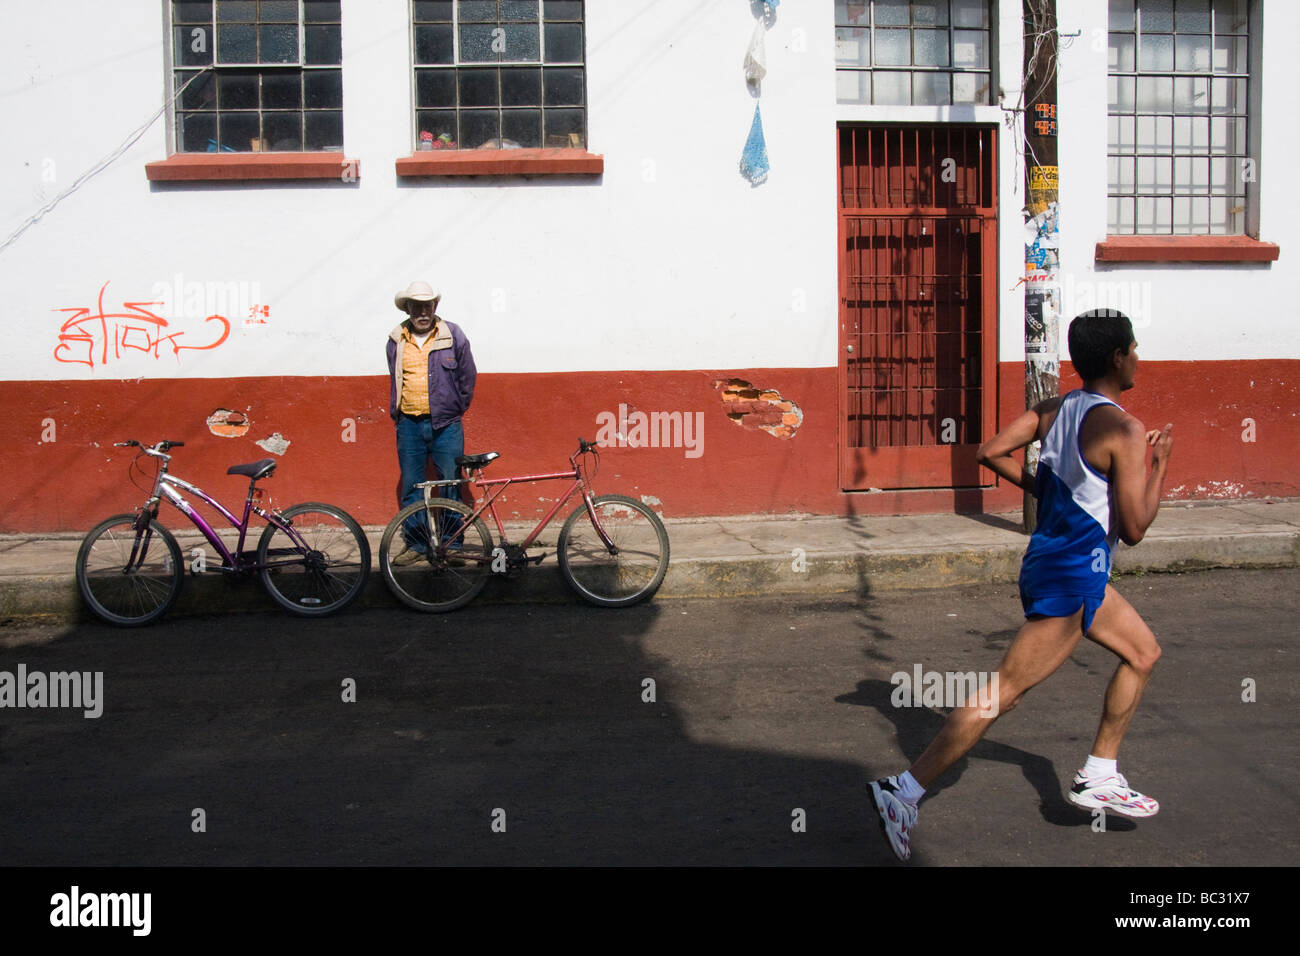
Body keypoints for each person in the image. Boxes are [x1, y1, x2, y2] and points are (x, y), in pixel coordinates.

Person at [869, 309, 1173, 862]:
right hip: (1075, 573)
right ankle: (903, 791)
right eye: (1134, 348)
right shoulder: (1125, 431)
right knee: (1002, 692)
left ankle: (1100, 772)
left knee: (1143, 652)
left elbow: (989, 452)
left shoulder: (1054, 410)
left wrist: (1045, 489)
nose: (1139, 357)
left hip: (1056, 563)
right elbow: (1134, 529)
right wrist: (1160, 466)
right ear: (1117, 358)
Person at [386, 280, 477, 557]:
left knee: (450, 483)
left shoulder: (453, 335)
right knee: (413, 487)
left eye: (427, 306)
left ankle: (452, 545)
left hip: (446, 425)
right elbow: (395, 377)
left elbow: (468, 377)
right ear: (408, 309)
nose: (422, 312)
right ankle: (417, 544)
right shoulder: (396, 340)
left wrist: (454, 408)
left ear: (435, 306)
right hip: (409, 424)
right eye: (416, 307)